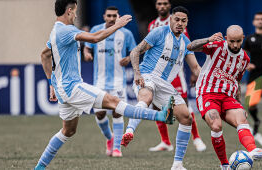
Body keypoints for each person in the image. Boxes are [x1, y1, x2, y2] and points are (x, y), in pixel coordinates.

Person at [34, 1, 173, 169]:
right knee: (114, 102)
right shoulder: (67, 30)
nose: (77, 15)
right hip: (72, 87)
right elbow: (95, 38)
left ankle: (39, 167)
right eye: (75, 12)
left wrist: (51, 83)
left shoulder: (55, 31)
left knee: (68, 131)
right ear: (69, 11)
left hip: (63, 89)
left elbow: (44, 55)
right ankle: (159, 116)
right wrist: (118, 25)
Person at [122, 6, 201, 170]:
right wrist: (137, 73)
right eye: (177, 19)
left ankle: (177, 164)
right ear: (171, 19)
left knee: (186, 117)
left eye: (183, 21)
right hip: (148, 74)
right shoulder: (159, 32)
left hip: (165, 84)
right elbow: (136, 51)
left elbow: (196, 69)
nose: (179, 23)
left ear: (187, 23)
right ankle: (129, 130)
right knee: (146, 97)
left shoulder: (186, 43)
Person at [187, 25, 262, 170]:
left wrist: (238, 102)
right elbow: (191, 46)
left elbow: (236, 80)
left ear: (243, 39)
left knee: (241, 116)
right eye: (231, 41)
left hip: (228, 96)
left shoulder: (244, 59)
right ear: (226, 39)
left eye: (238, 41)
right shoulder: (216, 46)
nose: (235, 45)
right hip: (207, 93)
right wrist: (208, 39)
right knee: (216, 125)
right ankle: (225, 165)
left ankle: (253, 150)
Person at [137, 0, 205, 152]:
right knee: (154, 103)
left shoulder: (178, 22)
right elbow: (147, 49)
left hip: (175, 72)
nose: (162, 6)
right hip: (156, 73)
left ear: (169, 6)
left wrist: (194, 73)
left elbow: (186, 47)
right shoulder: (153, 25)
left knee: (184, 105)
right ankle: (165, 141)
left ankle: (197, 138)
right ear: (156, 6)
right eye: (159, 3)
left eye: (165, 3)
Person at [84, 6, 137, 157]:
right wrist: (86, 54)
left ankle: (116, 148)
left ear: (118, 16)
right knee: (100, 114)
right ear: (104, 16)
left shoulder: (125, 33)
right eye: (109, 16)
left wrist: (128, 58)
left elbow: (134, 51)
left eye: (115, 16)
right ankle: (110, 138)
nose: (112, 18)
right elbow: (87, 47)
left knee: (117, 112)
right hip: (99, 81)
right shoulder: (96, 29)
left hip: (118, 81)